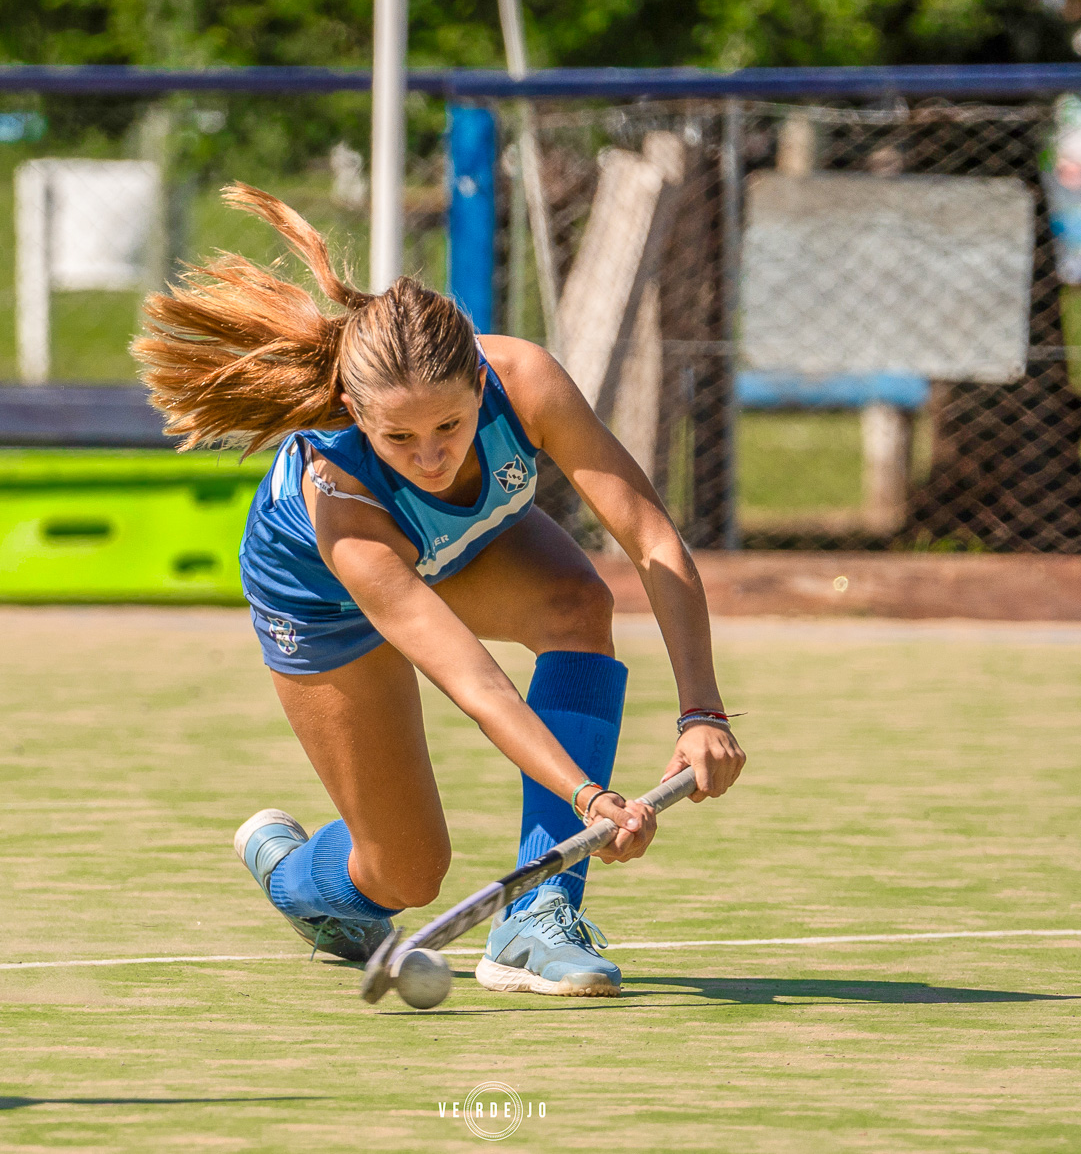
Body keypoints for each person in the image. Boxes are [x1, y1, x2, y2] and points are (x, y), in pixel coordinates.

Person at [131, 185, 746, 996]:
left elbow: (653, 539)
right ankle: (294, 877)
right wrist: (589, 795)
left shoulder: (525, 379)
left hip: (458, 548)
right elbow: (473, 681)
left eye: (451, 429)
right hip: (324, 599)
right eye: (400, 437)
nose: (431, 458)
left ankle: (537, 918)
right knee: (407, 870)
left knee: (576, 603)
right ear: (355, 410)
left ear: (481, 388)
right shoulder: (342, 502)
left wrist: (702, 710)